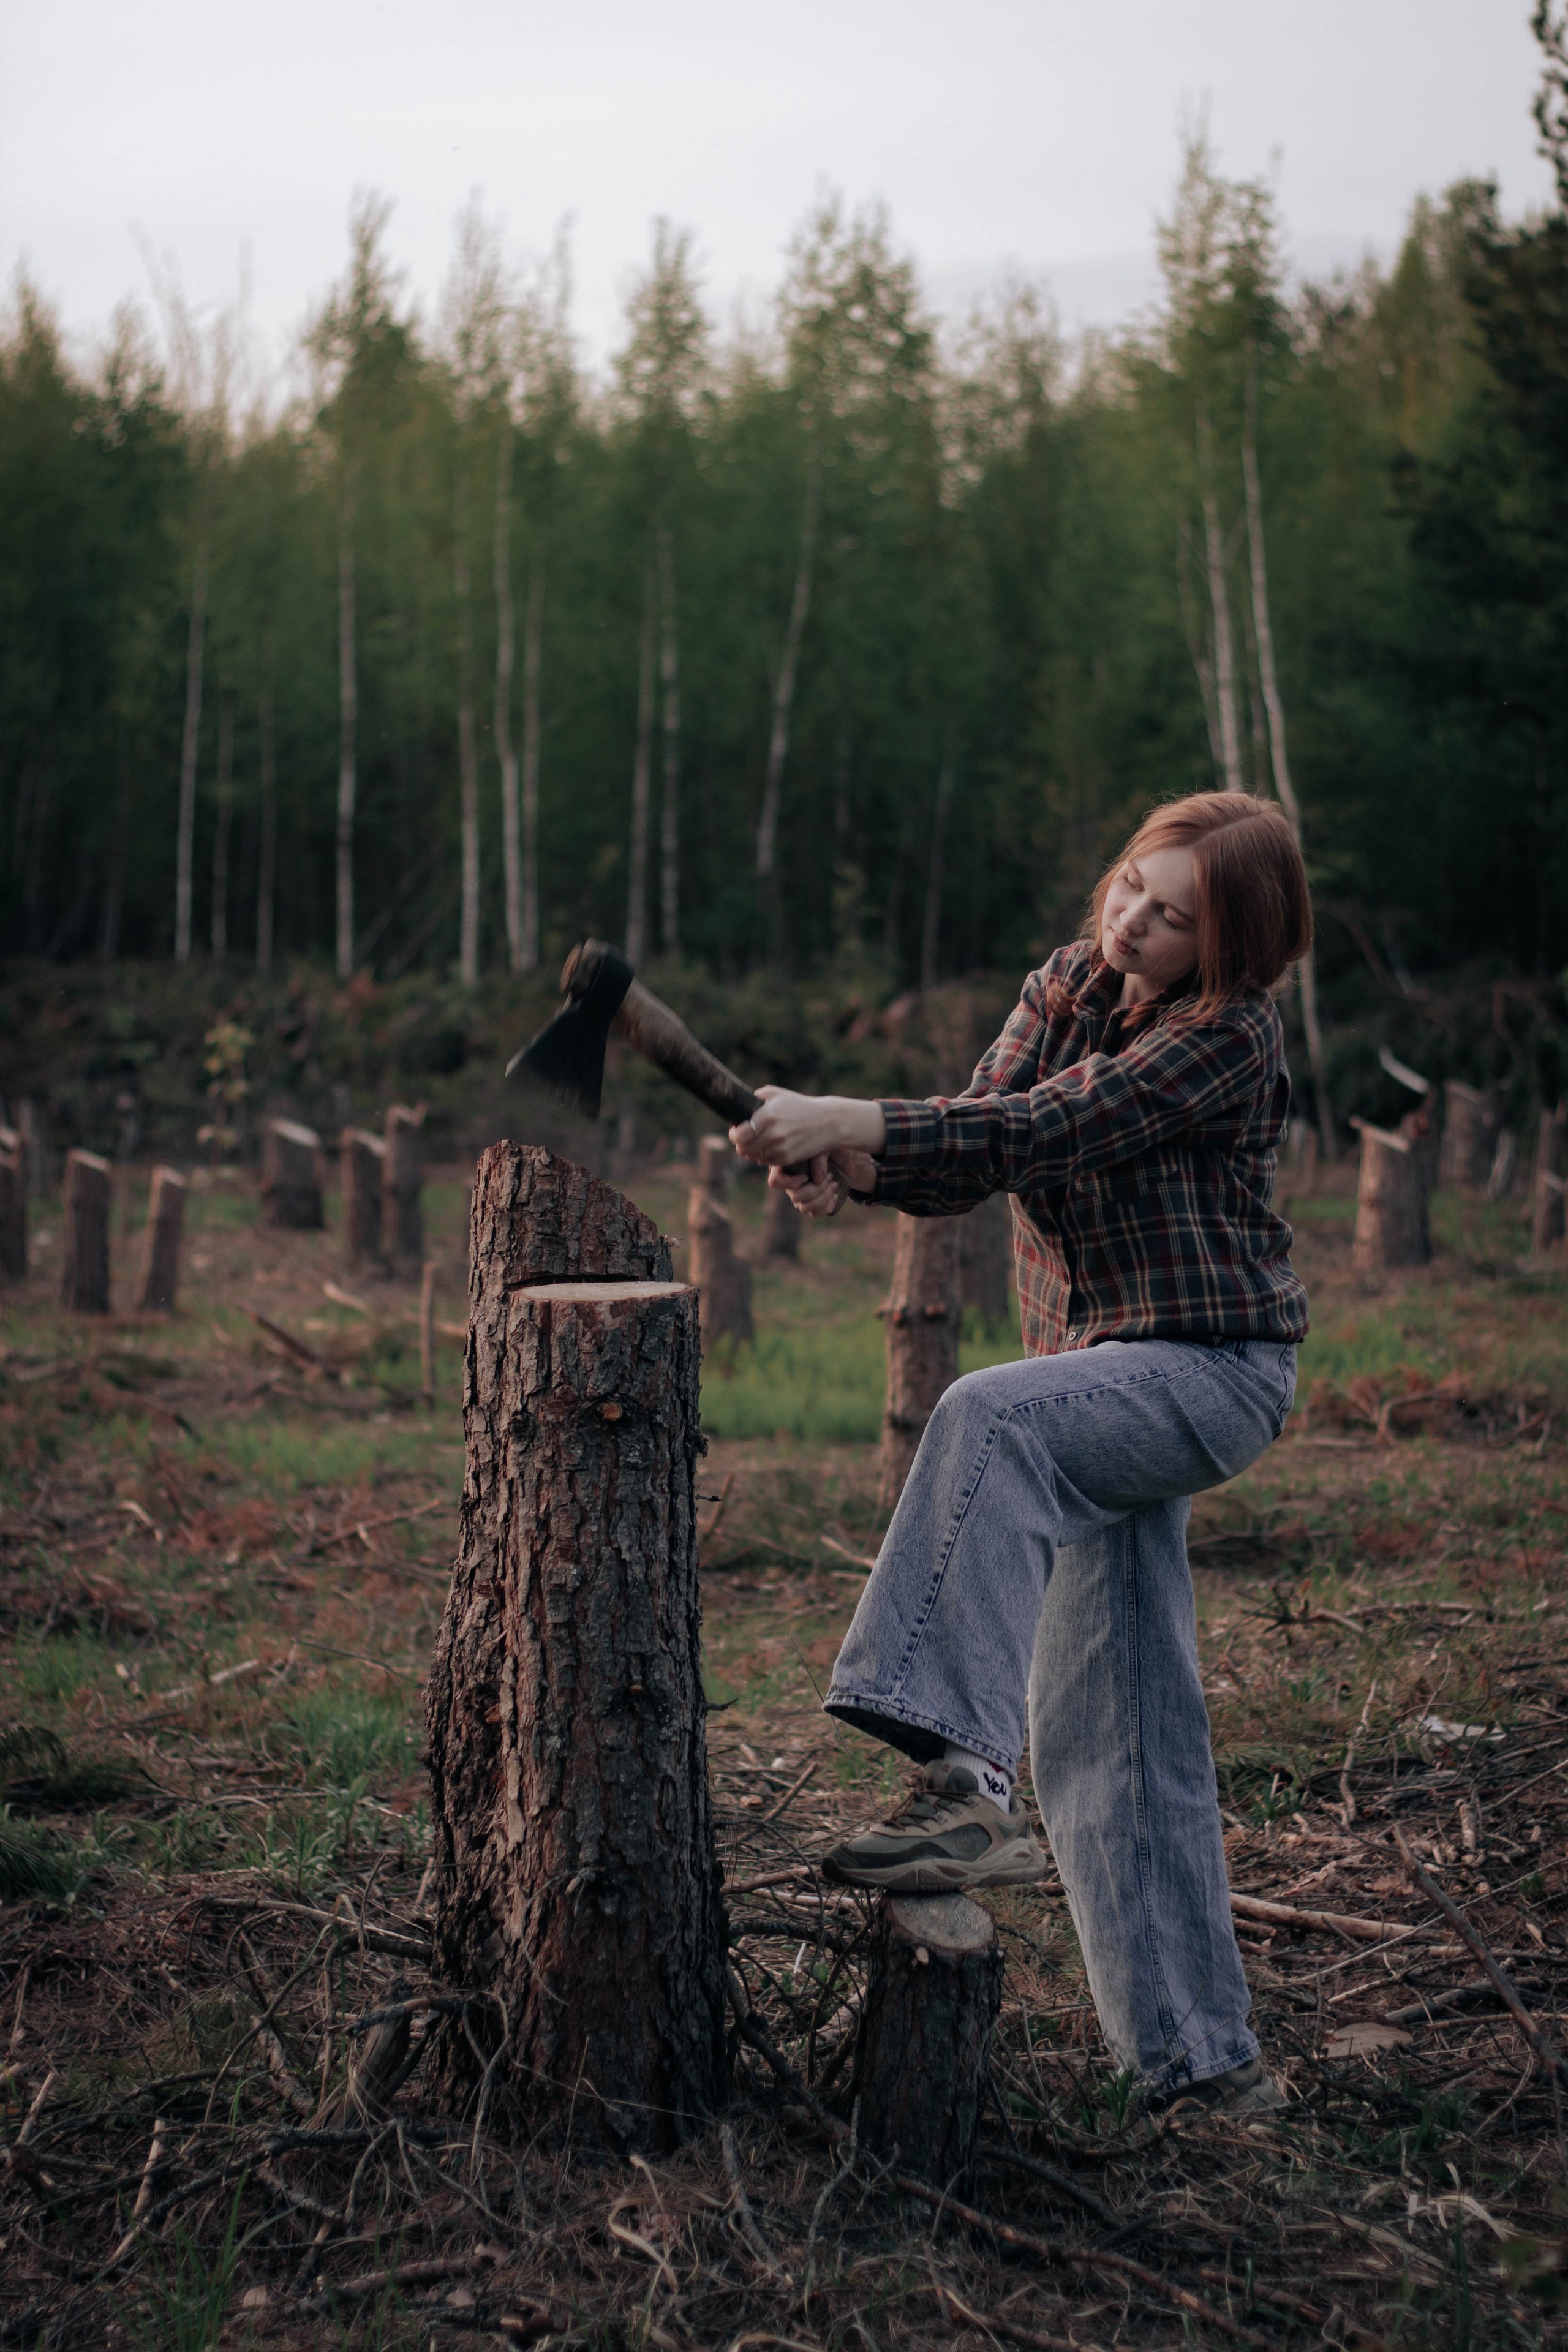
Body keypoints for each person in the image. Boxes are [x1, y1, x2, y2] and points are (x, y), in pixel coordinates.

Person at [729, 790, 1311, 2114]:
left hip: (1209, 1375)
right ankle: (1198, 2069)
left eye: (1173, 918)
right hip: (1091, 1386)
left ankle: (957, 1783)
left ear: (1233, 943)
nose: (1132, 924)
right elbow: (968, 1135)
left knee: (985, 1412)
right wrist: (854, 1162)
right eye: (1128, 889)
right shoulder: (1063, 982)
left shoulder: (1226, 1041)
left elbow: (1049, 1130)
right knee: (1115, 1725)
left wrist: (855, 1117)